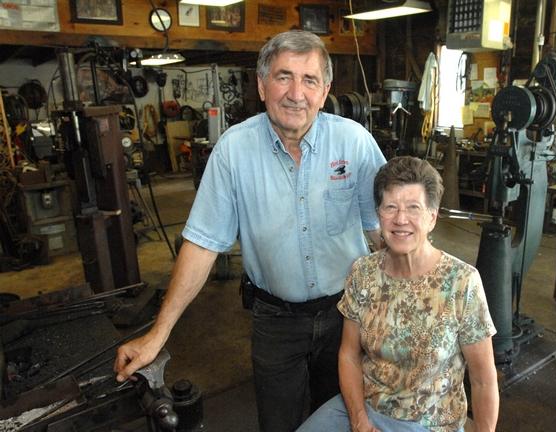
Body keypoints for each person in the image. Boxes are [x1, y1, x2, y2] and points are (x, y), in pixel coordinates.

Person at [113, 30, 386, 432]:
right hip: (274, 322)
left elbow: (385, 230)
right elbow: (203, 244)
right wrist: (159, 332)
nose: (296, 93)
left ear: (325, 89)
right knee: (280, 424)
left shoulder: (355, 142)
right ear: (261, 85)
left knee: (345, 419)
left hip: (347, 316)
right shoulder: (233, 151)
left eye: (310, 80)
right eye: (283, 77)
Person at [297, 156, 499, 432]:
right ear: (379, 214)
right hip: (363, 407)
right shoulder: (364, 272)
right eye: (390, 207)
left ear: (432, 217)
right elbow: (349, 354)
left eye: (413, 208)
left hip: (428, 422)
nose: (400, 219)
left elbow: (483, 379)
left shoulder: (461, 282)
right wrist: (360, 422)